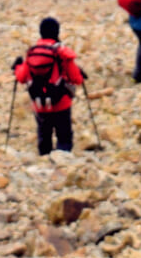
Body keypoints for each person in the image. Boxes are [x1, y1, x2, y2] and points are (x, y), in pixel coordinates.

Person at [13, 17, 88, 155]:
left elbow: (21, 77)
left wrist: (17, 66)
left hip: (40, 103)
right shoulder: (61, 52)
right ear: (57, 31)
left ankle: (44, 161)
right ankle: (62, 160)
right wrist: (80, 74)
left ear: (40, 32)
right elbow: (76, 79)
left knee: (44, 135)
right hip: (61, 103)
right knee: (64, 135)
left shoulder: (32, 53)